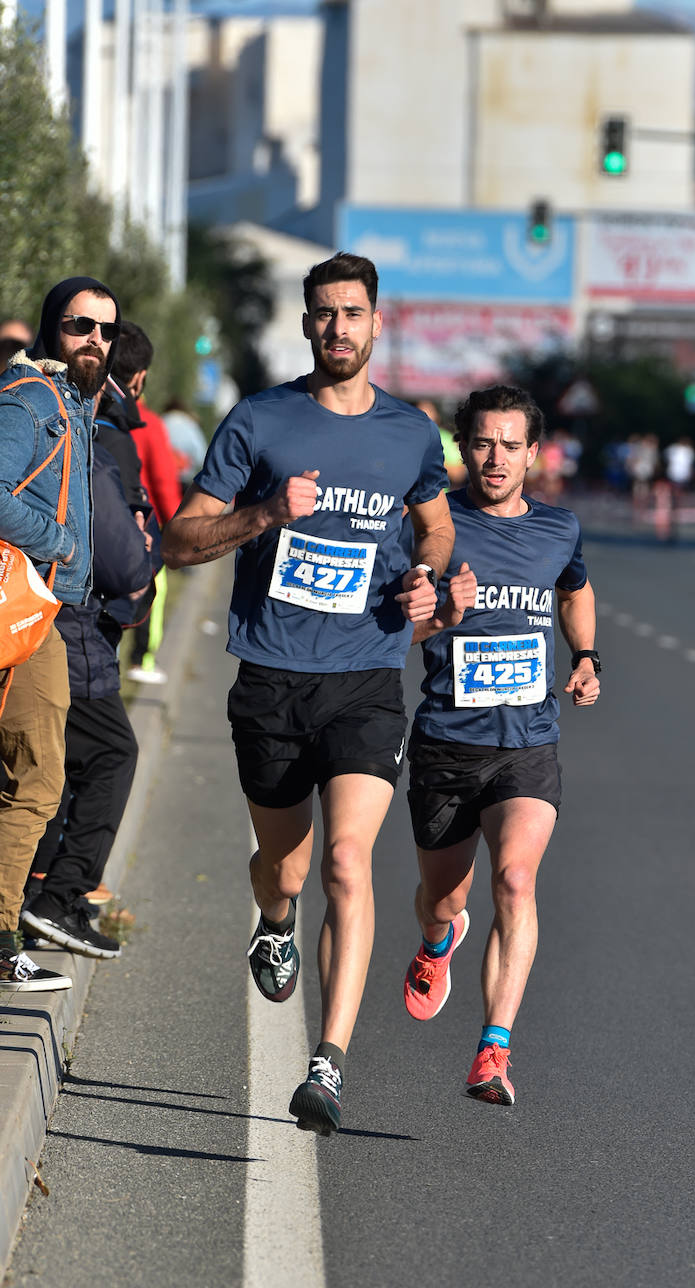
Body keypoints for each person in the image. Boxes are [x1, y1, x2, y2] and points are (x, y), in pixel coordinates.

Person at [161, 251, 454, 1134]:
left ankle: (326, 1063)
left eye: (352, 314)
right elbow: (179, 540)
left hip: (365, 679)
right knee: (285, 870)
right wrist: (264, 516)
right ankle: (275, 921)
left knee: (347, 861)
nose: (338, 329)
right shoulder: (261, 420)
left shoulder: (410, 434)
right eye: (323, 314)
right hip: (272, 678)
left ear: (376, 322)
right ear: (305, 323)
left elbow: (435, 529)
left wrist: (427, 581)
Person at [402, 384, 601, 1107]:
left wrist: (585, 656)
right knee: (443, 897)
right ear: (463, 446)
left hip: (528, 743)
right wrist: (441, 614)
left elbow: (575, 589)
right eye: (482, 442)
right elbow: (400, 628)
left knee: (515, 881)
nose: (495, 458)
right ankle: (436, 941)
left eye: (510, 445)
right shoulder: (435, 526)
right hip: (447, 743)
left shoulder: (558, 528)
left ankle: (493, 1050)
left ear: (532, 453)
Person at [0, 276, 121, 991]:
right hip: (26, 609)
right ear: (53, 330)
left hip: (40, 609)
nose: (94, 340)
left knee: (30, 778)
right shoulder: (34, 402)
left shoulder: (71, 403)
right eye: (80, 326)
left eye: (106, 329)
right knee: (38, 781)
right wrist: (61, 543)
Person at [20, 414, 155, 957]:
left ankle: (36, 900)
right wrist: (145, 543)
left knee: (41, 768)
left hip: (37, 621)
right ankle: (55, 898)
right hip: (64, 630)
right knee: (107, 755)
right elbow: (128, 565)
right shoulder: (86, 440)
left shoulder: (32, 420)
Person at [109, 323, 182, 686]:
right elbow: (164, 482)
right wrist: (175, 528)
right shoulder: (150, 425)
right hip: (143, 529)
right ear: (140, 377)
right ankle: (143, 659)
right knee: (153, 593)